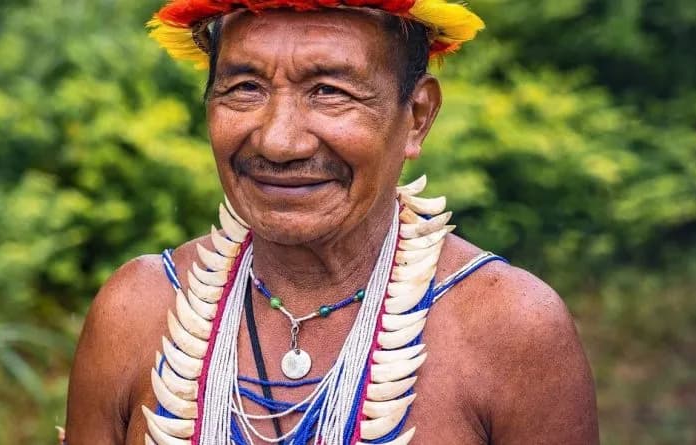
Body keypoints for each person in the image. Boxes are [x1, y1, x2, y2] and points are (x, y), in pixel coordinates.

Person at [65, 0, 599, 443]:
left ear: (416, 117)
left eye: (329, 91)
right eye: (245, 87)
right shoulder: (135, 310)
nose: (279, 140)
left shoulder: (513, 329)